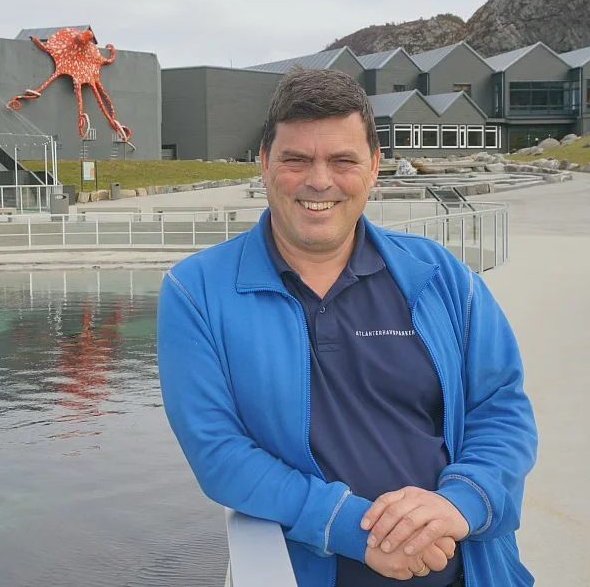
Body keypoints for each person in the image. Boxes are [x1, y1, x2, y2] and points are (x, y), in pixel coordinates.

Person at [156, 67, 537, 586]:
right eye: (296, 159)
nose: (319, 181)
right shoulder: (196, 292)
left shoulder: (441, 276)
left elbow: (500, 407)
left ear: (375, 167)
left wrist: (461, 502)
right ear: (264, 163)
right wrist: (355, 533)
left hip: (470, 571)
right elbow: (218, 452)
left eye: (343, 160)